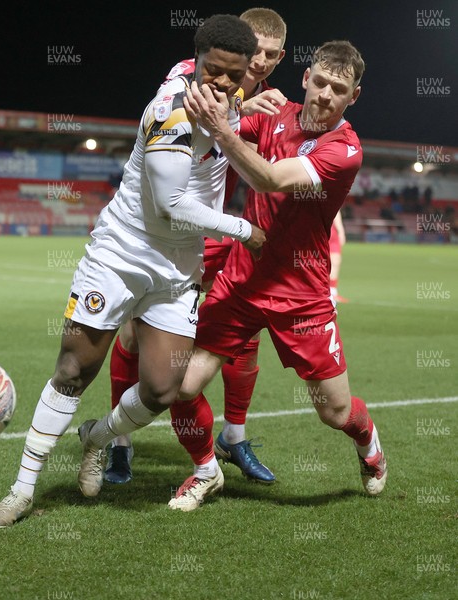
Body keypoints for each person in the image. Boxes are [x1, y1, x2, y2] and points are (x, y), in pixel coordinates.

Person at [0, 14, 265, 528]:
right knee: (73, 369)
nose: (222, 83)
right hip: (122, 253)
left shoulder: (234, 94)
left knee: (161, 389)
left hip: (178, 268)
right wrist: (244, 230)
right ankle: (21, 491)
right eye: (214, 71)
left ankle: (95, 437)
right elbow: (172, 206)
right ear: (196, 62)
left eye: (235, 74)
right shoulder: (170, 111)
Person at [162, 40, 387, 511]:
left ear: (354, 97)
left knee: (335, 412)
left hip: (301, 296)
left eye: (338, 89)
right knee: (178, 387)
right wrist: (216, 99)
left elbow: (266, 177)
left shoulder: (344, 150)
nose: (326, 95)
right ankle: (206, 470)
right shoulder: (275, 113)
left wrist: (225, 128)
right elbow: (211, 127)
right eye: (320, 82)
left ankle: (369, 445)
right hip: (241, 282)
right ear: (306, 78)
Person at [105, 7, 288, 487]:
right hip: (176, 230)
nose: (260, 64)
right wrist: (235, 111)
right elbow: (176, 105)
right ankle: (118, 445)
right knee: (132, 337)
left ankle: (235, 435)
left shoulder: (262, 96)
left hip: (221, 233)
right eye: (256, 53)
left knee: (241, 337)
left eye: (269, 56)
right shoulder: (190, 78)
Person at [329, 210, 347, 302]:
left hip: (332, 231)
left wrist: (341, 231)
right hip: (319, 230)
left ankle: (333, 292)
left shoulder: (330, 196)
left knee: (336, 261)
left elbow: (336, 210)